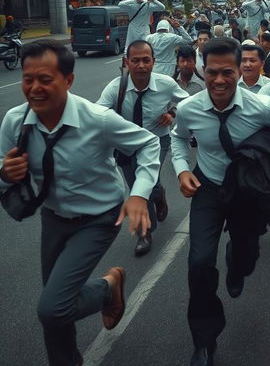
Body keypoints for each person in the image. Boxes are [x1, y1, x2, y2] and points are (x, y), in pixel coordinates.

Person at [0, 39, 160, 365]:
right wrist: (5, 171)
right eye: (28, 79)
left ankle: (107, 289)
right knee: (57, 307)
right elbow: (2, 166)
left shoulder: (96, 119)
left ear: (68, 81)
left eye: (45, 79)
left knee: (52, 307)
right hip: (53, 217)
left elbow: (147, 143)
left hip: (98, 218)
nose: (35, 88)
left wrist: (139, 194)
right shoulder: (15, 122)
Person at [170, 37, 270, 366]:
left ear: (239, 71)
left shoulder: (258, 106)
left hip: (247, 190)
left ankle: (238, 262)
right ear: (203, 71)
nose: (220, 81)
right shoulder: (189, 108)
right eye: (212, 73)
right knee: (199, 263)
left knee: (246, 256)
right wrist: (181, 171)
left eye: (228, 73)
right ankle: (205, 340)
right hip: (208, 187)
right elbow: (177, 139)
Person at [98, 40, 189, 256]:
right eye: (135, 60)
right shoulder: (116, 87)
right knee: (140, 186)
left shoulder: (165, 83)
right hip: (127, 148)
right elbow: (97, 113)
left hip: (158, 141)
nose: (141, 66)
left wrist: (172, 113)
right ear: (126, 62)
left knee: (144, 185)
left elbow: (188, 102)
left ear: (153, 62)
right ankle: (156, 201)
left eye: (146, 60)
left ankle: (144, 232)